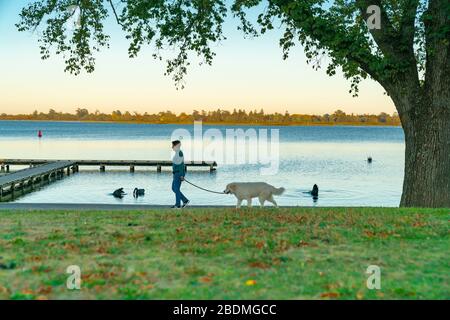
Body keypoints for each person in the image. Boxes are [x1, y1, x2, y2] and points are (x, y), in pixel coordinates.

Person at [171, 140, 189, 208]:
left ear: (176, 146)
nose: (172, 147)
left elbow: (181, 165)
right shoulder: (177, 153)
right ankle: (185, 200)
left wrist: (182, 175)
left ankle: (178, 204)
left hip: (179, 173)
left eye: (173, 145)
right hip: (176, 174)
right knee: (174, 188)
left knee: (176, 189)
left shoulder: (179, 153)